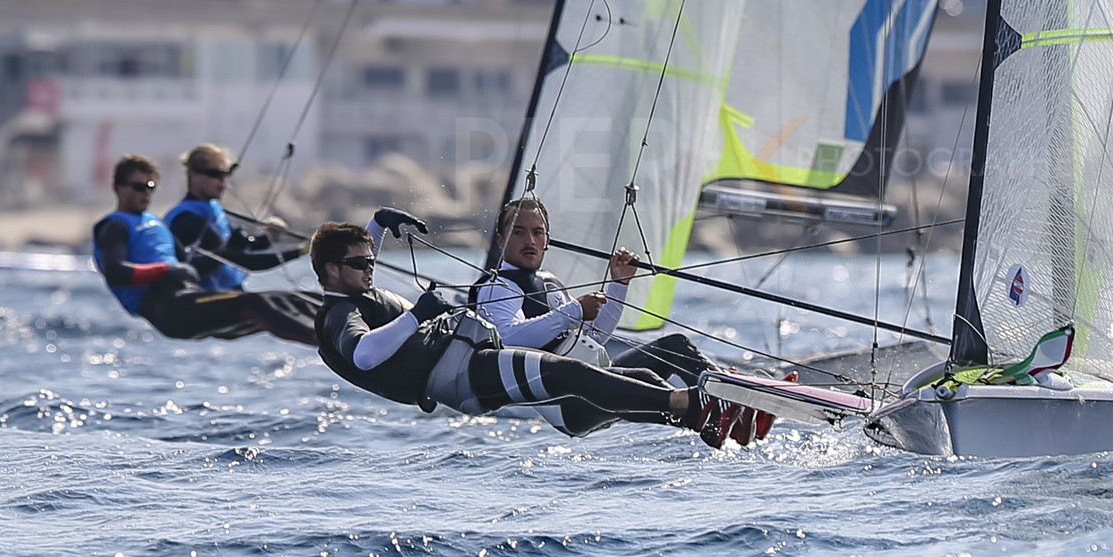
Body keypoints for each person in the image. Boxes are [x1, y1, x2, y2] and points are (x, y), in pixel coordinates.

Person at [312, 210, 731, 444]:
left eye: (371, 261)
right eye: (360, 264)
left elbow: (352, 258)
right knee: (569, 374)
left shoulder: (353, 287)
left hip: (470, 360)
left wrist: (378, 224)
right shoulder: (339, 316)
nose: (371, 268)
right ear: (331, 271)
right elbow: (364, 355)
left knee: (642, 371)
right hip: (459, 375)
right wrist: (416, 315)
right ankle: (695, 405)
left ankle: (716, 412)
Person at [470, 194, 770, 446]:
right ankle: (714, 413)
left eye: (538, 232)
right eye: (518, 231)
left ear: (547, 239)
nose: (530, 240)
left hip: (596, 381)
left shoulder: (548, 283)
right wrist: (573, 311)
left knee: (675, 346)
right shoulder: (497, 287)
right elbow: (507, 340)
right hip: (568, 402)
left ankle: (734, 406)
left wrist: (619, 285)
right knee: (641, 378)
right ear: (500, 239)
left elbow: (594, 339)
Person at [92, 154, 319, 345]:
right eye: (138, 187)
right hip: (166, 308)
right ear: (117, 187)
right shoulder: (114, 226)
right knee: (256, 303)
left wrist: (242, 245)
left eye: (150, 187)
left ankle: (345, 328)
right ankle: (324, 342)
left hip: (189, 296)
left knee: (291, 298)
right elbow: (116, 272)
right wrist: (165, 270)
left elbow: (193, 267)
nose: (146, 193)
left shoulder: (155, 222)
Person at [164, 144, 307, 291]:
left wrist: (270, 236)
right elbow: (243, 260)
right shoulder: (189, 219)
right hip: (207, 300)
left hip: (230, 293)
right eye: (214, 174)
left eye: (226, 174)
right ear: (192, 175)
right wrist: (301, 251)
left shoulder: (212, 208)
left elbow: (242, 246)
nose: (222, 180)